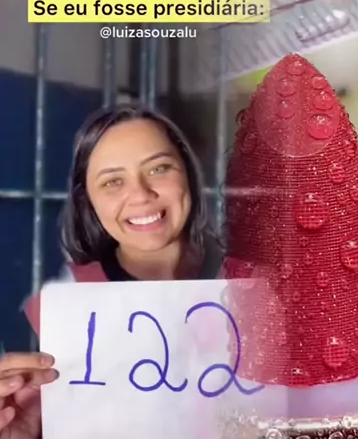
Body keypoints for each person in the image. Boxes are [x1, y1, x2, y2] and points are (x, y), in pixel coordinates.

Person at [0, 104, 222, 438]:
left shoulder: (259, 287)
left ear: (188, 174)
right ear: (88, 200)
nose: (141, 195)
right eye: (113, 181)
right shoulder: (50, 317)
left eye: (159, 168)